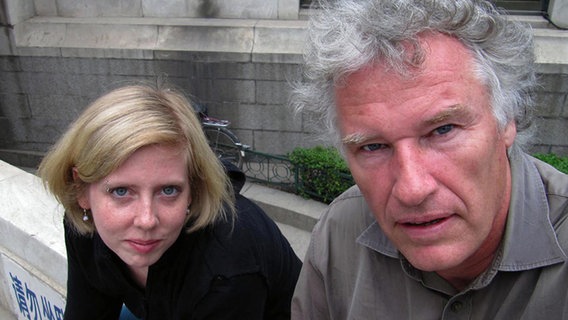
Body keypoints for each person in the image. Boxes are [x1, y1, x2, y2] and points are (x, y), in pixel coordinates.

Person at [290, 0, 568, 319]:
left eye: (443, 130)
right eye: (373, 147)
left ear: (507, 120)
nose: (412, 189)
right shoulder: (339, 233)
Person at [38, 84, 302, 319]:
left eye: (168, 191)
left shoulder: (227, 264)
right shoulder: (87, 226)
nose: (147, 220)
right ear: (82, 191)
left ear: (193, 189)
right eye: (120, 192)